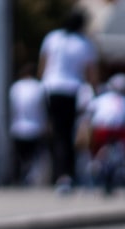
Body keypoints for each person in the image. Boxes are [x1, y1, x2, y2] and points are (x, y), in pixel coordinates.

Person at [38, 8, 99, 191]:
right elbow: (91, 73)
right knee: (67, 134)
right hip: (71, 90)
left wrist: (42, 84)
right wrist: (95, 92)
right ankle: (67, 175)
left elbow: (43, 65)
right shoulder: (84, 43)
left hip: (51, 88)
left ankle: (57, 174)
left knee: (56, 134)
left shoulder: (53, 37)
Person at [82, 73, 125, 188]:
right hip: (119, 133)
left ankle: (95, 164)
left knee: (95, 149)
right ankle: (121, 165)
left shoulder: (101, 99)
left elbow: (88, 116)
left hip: (102, 131)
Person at [8, 63, 47, 186]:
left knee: (19, 157)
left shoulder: (15, 87)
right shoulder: (39, 87)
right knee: (33, 158)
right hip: (35, 127)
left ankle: (17, 179)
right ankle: (30, 178)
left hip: (18, 126)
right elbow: (42, 109)